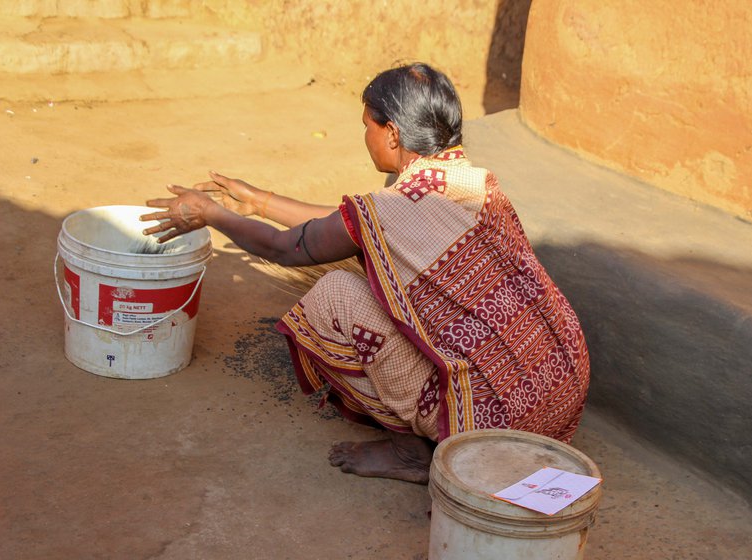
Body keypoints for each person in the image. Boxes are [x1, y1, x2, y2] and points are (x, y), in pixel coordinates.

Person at [141, 62, 590, 484]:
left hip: (496, 424)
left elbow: (283, 248)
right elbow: (356, 225)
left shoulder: (395, 207)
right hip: (559, 396)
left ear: (392, 133)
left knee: (334, 294)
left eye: (366, 126)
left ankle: (411, 453)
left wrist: (211, 214)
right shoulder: (473, 183)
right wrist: (259, 201)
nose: (365, 136)